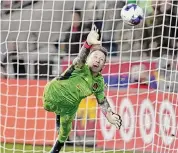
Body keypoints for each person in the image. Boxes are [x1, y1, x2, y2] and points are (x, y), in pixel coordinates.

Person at [43, 26, 122, 153]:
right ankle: (58, 113)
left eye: (101, 60)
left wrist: (109, 115)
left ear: (103, 65)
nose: (98, 60)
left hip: (70, 106)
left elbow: (102, 102)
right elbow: (81, 57)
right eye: (95, 56)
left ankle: (54, 151)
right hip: (54, 93)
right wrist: (88, 44)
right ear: (89, 58)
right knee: (48, 107)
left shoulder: (99, 82)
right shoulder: (81, 67)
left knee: (65, 132)